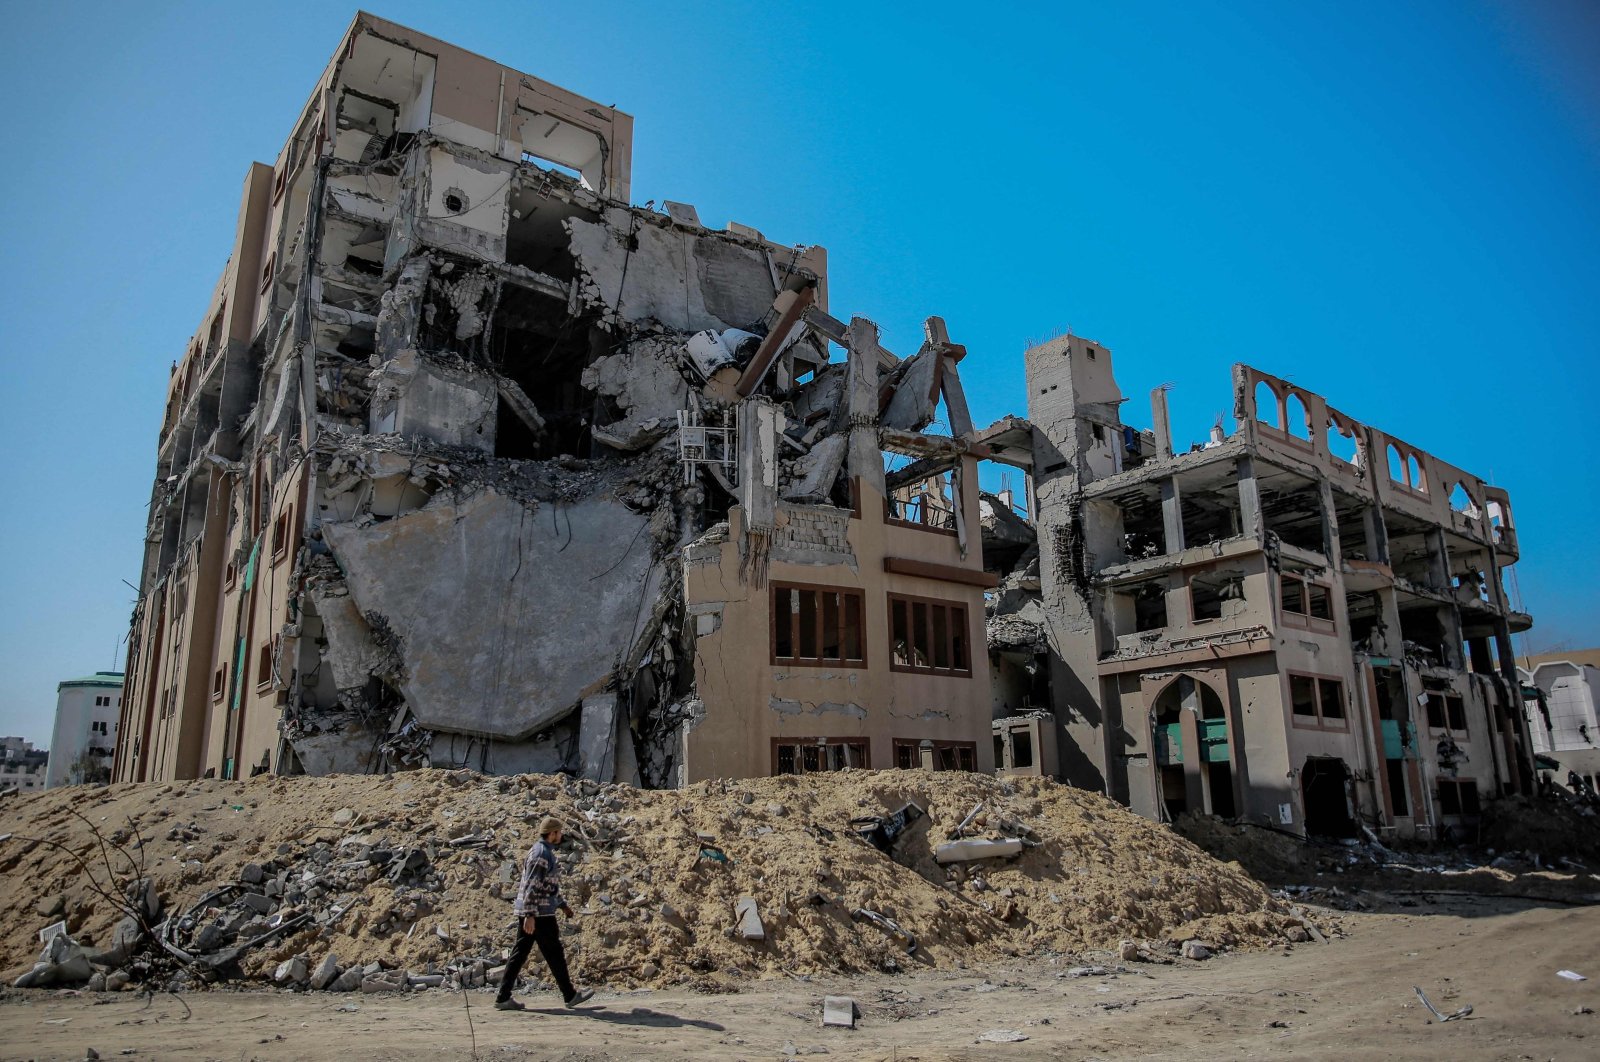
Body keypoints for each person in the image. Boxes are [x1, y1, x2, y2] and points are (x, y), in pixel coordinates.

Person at [495, 816, 593, 1011]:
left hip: (537, 910)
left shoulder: (543, 851)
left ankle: (503, 997)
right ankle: (570, 995)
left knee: (520, 952)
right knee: (554, 952)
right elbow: (533, 885)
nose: (561, 835)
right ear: (552, 833)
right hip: (539, 913)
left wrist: (562, 905)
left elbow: (547, 886)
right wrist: (530, 914)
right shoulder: (541, 854)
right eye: (559, 832)